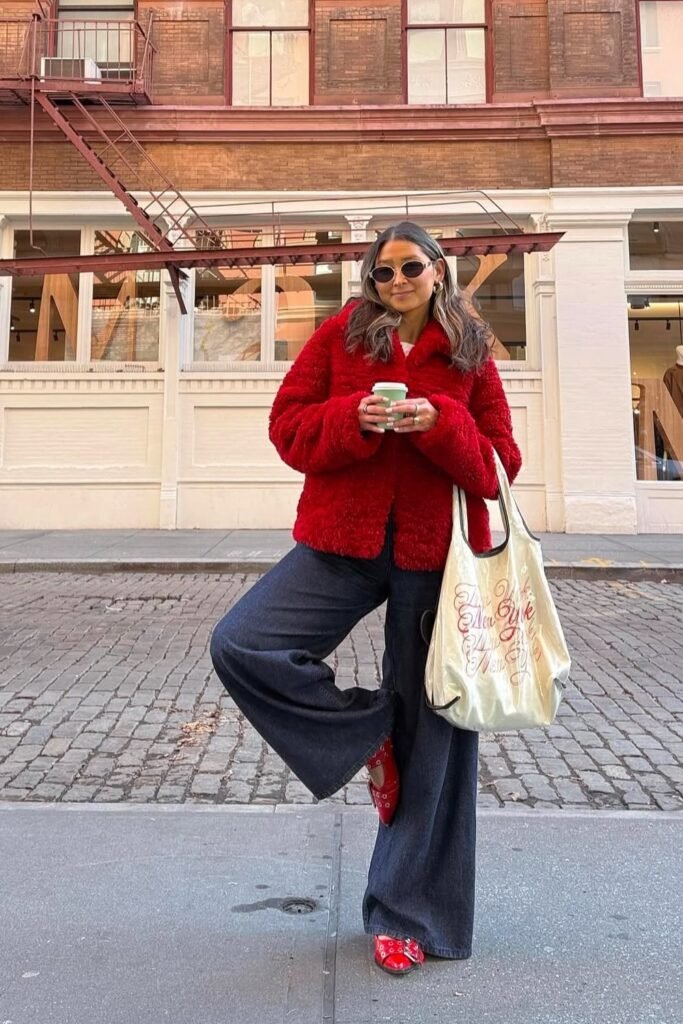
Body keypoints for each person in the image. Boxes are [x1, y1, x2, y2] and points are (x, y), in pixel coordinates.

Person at [210, 221, 522, 976]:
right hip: (339, 544)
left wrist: (438, 424)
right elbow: (287, 428)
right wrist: (350, 419)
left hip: (433, 557)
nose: (396, 282)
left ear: (439, 271)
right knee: (244, 643)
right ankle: (368, 731)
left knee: (438, 740)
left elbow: (500, 462)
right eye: (381, 273)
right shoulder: (341, 338)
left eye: (410, 268)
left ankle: (407, 917)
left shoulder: (471, 353)